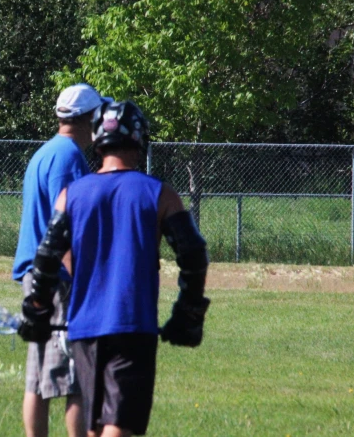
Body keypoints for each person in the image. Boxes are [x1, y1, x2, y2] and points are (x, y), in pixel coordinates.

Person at [19, 100, 211, 437]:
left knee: (94, 427)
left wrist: (36, 311)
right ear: (139, 139)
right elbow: (193, 256)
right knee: (118, 426)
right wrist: (188, 312)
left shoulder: (70, 195)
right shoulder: (160, 194)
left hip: (83, 329)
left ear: (96, 138)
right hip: (132, 327)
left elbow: (46, 259)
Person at [12, 83, 112, 437]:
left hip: (37, 276)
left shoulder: (46, 152)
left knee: (37, 379)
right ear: (88, 118)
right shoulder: (68, 157)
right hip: (59, 279)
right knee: (75, 380)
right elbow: (68, 226)